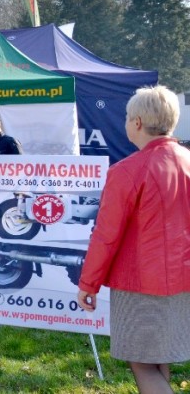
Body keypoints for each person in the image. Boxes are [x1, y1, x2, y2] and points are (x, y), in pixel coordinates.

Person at [77, 86, 190, 393]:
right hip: (183, 280)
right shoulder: (187, 161)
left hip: (140, 281)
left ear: (137, 122)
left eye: (127, 117)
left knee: (142, 363)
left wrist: (88, 284)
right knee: (158, 357)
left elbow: (106, 236)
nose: (126, 122)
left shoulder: (127, 171)